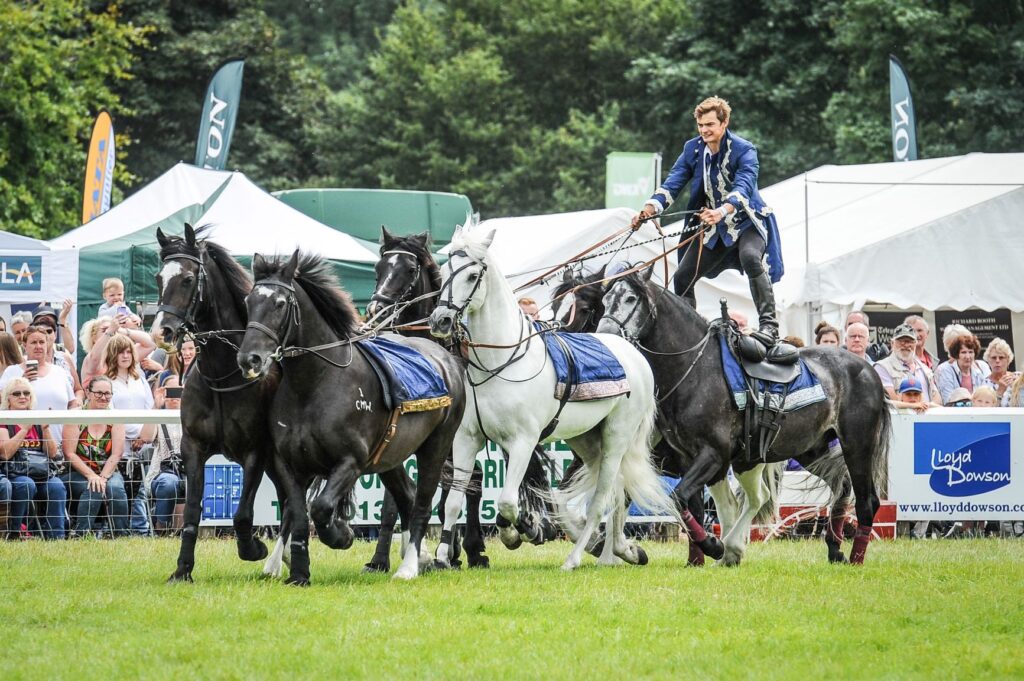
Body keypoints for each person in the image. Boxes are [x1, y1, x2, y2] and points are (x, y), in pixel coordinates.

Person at [631, 96, 785, 353]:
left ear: (724, 123)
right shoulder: (692, 149)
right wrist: (649, 209)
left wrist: (722, 210)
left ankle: (769, 326)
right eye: (701, 125)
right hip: (715, 229)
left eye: (710, 124)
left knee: (750, 256)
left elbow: (744, 187)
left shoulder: (744, 149)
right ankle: (687, 332)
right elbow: (673, 183)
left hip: (746, 222)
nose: (704, 130)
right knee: (682, 277)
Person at [61, 376, 128, 537]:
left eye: (108, 393)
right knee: (94, 488)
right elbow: (69, 453)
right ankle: (82, 534)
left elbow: (117, 453)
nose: (103, 397)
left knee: (116, 488)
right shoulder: (76, 416)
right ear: (88, 393)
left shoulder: (115, 418)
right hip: (78, 472)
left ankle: (120, 535)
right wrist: (92, 476)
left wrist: (103, 477)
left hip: (108, 470)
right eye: (98, 393)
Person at [0, 378, 67, 539]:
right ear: (7, 398)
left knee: (57, 486)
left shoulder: (37, 419)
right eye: (17, 393)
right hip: (15, 474)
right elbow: (5, 453)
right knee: (26, 484)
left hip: (41, 473)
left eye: (26, 393)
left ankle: (56, 537)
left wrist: (46, 429)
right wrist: (24, 429)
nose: (22, 396)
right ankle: (15, 533)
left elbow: (51, 454)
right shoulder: (4, 420)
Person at [105, 334, 156, 535]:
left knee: (140, 492)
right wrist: (131, 436)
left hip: (144, 442)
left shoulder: (139, 378)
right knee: (123, 491)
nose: (125, 356)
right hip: (121, 446)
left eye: (128, 351)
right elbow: (110, 413)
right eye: (120, 352)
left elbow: (149, 407)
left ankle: (141, 531)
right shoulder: (108, 381)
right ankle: (123, 531)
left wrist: (144, 437)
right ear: (113, 355)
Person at [0, 326, 77, 444]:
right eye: (33, 342)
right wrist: (21, 382)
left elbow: (72, 404)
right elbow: (3, 402)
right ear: (24, 345)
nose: (38, 346)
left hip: (60, 444)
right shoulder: (12, 371)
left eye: (42, 342)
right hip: (25, 447)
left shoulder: (59, 372)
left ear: (47, 344)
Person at [146, 375, 185, 534]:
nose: (174, 397)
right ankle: (161, 528)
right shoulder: (158, 416)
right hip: (162, 472)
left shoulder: (194, 417)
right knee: (169, 482)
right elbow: (146, 437)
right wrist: (156, 406)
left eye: (179, 392)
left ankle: (184, 531)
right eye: (170, 392)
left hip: (189, 472)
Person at [874, 323, 942, 406]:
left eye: (910, 341)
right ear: (892, 343)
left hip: (926, 417)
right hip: (899, 418)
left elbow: (937, 398)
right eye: (901, 341)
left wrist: (926, 407)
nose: (906, 345)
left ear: (916, 344)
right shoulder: (882, 367)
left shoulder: (924, 368)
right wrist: (915, 407)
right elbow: (890, 400)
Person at [31, 305, 84, 405]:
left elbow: (78, 389)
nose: (45, 335)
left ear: (55, 334)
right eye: (41, 331)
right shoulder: (25, 360)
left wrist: (77, 401)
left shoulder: (64, 356)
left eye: (49, 331)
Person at [934, 334, 988, 404]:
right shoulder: (946, 370)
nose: (968, 356)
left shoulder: (978, 373)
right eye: (963, 352)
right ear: (956, 354)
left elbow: (984, 398)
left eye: (971, 352)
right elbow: (947, 400)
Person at [981, 337, 1018, 403]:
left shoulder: (1018, 377)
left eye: (1001, 357)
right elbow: (985, 410)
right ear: (988, 360)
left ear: (1008, 360)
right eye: (994, 357)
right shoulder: (984, 385)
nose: (997, 361)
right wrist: (1000, 391)